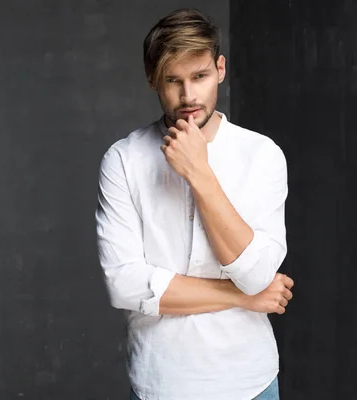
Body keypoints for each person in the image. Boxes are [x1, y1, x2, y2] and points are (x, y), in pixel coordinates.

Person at [95, 8, 295, 400]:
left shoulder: (262, 155)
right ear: (154, 80)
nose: (188, 96)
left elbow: (257, 275)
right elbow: (125, 284)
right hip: (162, 383)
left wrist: (199, 172)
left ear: (220, 69)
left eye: (199, 76)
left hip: (250, 382)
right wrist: (241, 296)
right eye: (173, 81)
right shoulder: (123, 160)